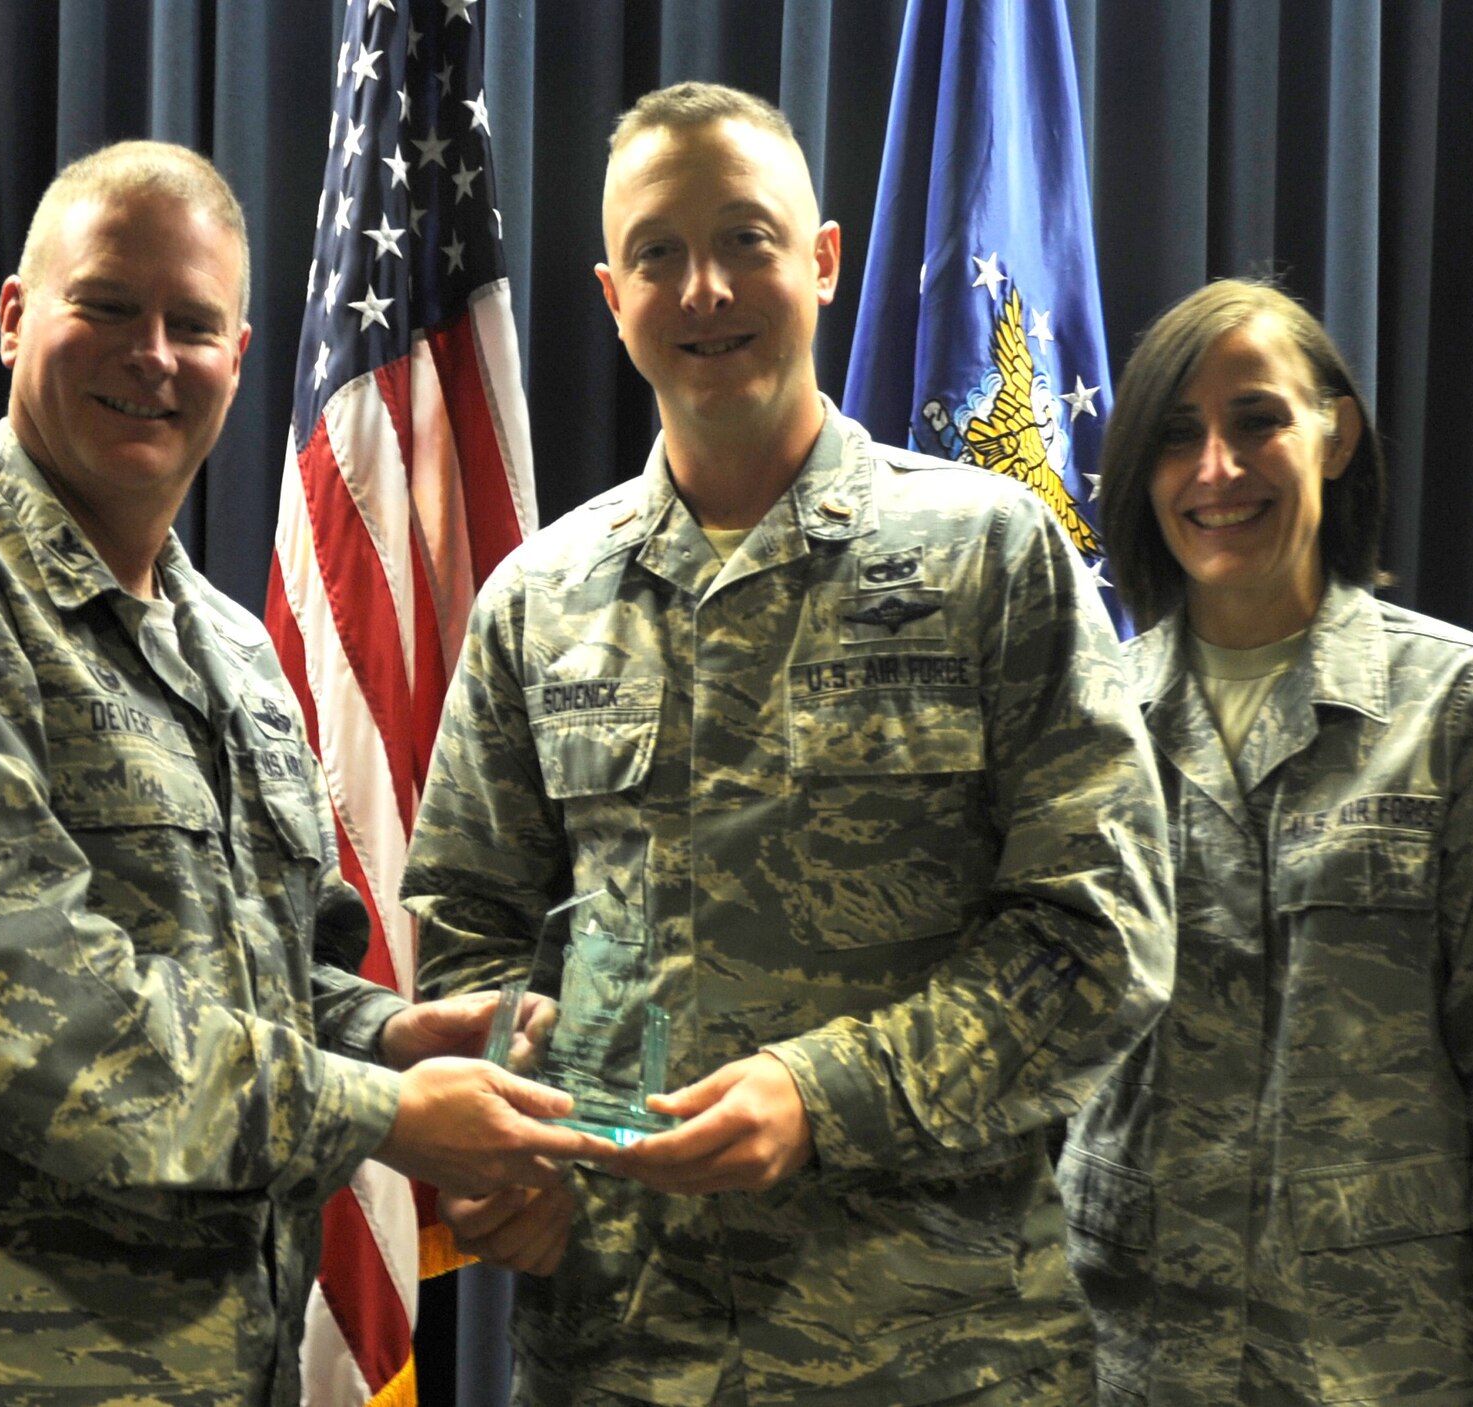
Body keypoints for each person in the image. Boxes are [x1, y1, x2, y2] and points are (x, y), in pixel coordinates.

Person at [0, 140, 617, 1406]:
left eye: (191, 324)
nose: (150, 355)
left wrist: (389, 1031)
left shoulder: (236, 652)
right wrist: (381, 1112)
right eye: (105, 306)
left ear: (238, 357)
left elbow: (267, 975)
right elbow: (8, 1013)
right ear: (12, 317)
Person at [401, 83, 1174, 1406]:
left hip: (941, 1355)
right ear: (610, 293)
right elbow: (471, 931)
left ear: (822, 260)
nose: (705, 289)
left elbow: (1100, 933)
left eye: (747, 240)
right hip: (617, 1356)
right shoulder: (533, 604)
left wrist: (820, 1094)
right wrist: (523, 1148)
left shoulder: (992, 555)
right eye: (658, 253)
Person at [1059, 279, 1473, 1405]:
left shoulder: (1461, 711)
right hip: (1127, 1366)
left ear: (1333, 435)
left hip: (1384, 1368)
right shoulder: (1086, 725)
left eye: (1256, 419)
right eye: (1175, 436)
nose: (1216, 470)